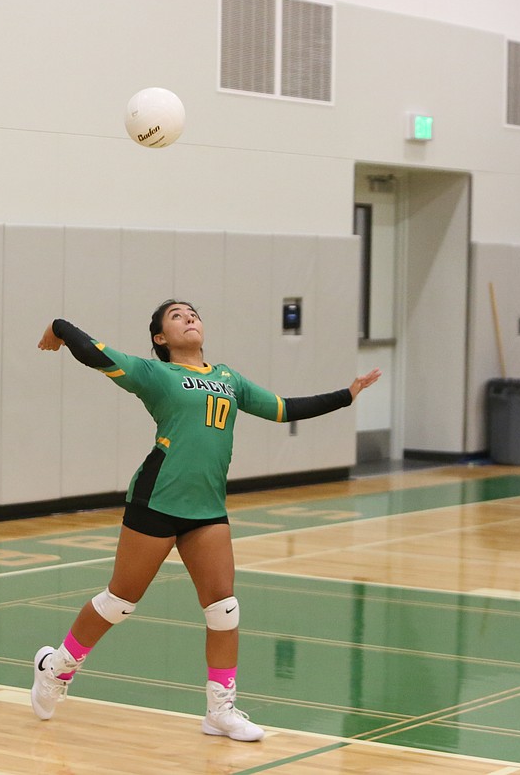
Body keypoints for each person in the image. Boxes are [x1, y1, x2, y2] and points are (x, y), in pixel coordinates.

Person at [31, 300, 381, 742]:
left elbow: (282, 408)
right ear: (161, 338)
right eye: (176, 316)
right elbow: (96, 353)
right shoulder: (156, 375)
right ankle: (57, 668)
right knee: (120, 602)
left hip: (208, 508)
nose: (189, 317)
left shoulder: (228, 378)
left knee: (224, 609)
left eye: (193, 312)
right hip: (156, 499)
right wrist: (59, 328)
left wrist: (347, 394)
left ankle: (220, 709)